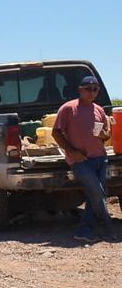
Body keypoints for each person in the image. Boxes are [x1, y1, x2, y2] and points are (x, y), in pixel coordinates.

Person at [52, 74, 115, 242]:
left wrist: (105, 134)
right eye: (88, 89)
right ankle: (108, 229)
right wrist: (72, 151)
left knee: (94, 195)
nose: (92, 92)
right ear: (80, 90)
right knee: (98, 193)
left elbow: (106, 135)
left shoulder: (99, 109)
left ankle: (84, 231)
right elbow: (56, 132)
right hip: (80, 161)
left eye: (95, 89)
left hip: (100, 159)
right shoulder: (68, 108)